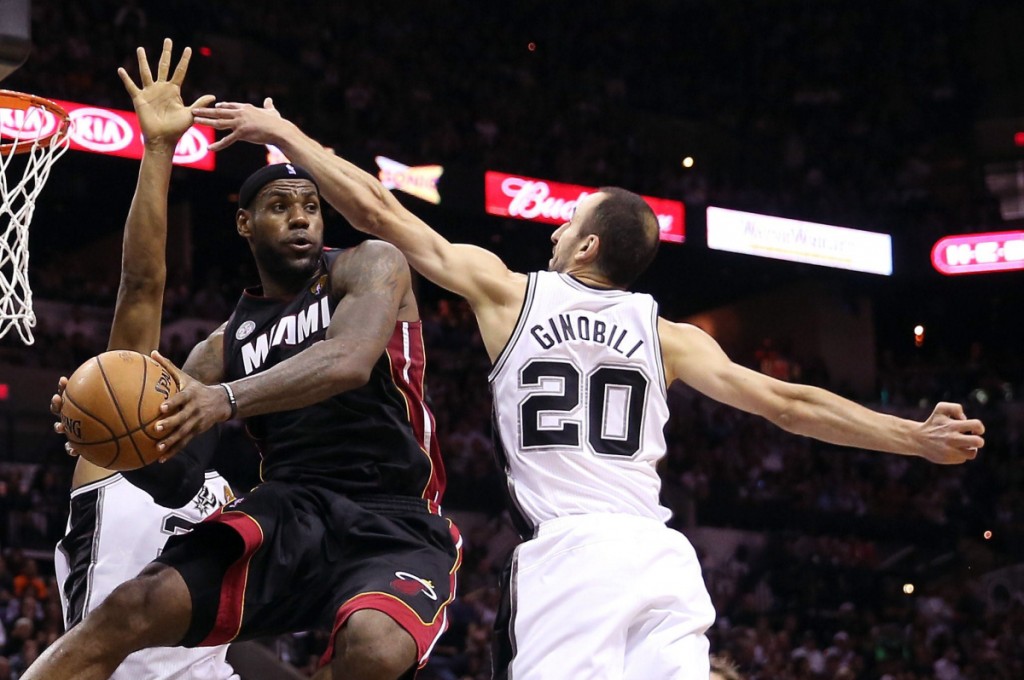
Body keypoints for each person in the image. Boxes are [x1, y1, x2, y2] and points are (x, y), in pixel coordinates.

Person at [190, 98, 986, 680]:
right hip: (661, 554)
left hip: (572, 555)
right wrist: (909, 436)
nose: (553, 228)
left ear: (589, 244)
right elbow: (791, 405)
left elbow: (379, 212)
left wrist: (288, 135)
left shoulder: (510, 293)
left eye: (568, 221)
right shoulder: (670, 337)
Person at [28, 87, 461, 680]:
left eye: (310, 205)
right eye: (281, 206)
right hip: (292, 505)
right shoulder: (218, 350)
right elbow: (177, 478)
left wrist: (224, 400)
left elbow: (349, 361)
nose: (302, 216)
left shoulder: (368, 265)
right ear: (244, 222)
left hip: (393, 516)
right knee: (132, 604)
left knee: (375, 649)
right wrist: (115, 441)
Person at [49, 39, 240, 680]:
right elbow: (142, 286)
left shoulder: (228, 493)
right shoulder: (110, 446)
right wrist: (158, 149)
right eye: (174, 370)